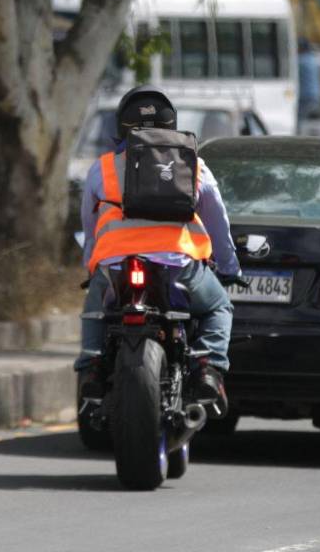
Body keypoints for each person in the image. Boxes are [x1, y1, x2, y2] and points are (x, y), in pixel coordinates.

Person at [79, 84, 241, 417]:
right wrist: (228, 266)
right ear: (171, 124)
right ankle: (209, 368)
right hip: (179, 268)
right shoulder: (192, 163)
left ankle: (92, 367)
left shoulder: (104, 167)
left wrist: (91, 268)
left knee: (95, 311)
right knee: (219, 308)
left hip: (116, 268)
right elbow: (217, 220)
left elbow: (89, 222)